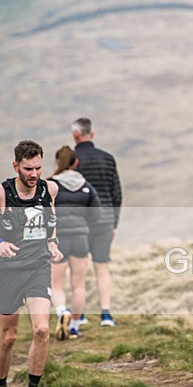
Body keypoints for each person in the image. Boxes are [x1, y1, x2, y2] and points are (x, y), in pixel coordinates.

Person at [0, 140, 64, 387]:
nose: (34, 173)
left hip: (38, 267)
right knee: (8, 337)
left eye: (38, 167)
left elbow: (51, 220)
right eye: (28, 168)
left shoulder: (50, 189)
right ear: (16, 166)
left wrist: (52, 241)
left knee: (42, 330)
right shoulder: (1, 193)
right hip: (8, 270)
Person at [71, 118, 122, 327]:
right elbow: (116, 194)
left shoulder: (72, 160)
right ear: (92, 134)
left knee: (78, 269)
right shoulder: (107, 159)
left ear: (75, 135)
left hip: (80, 222)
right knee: (102, 267)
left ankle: (80, 315)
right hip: (105, 220)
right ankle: (106, 314)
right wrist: (114, 223)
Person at [49, 146, 102, 339]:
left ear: (57, 162)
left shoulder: (50, 185)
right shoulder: (86, 185)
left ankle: (62, 311)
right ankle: (74, 327)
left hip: (58, 239)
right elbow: (96, 215)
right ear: (75, 163)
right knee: (78, 285)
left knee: (56, 285)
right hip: (81, 239)